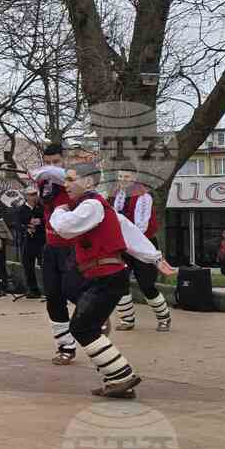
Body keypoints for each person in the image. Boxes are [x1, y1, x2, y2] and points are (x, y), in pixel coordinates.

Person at [50, 162, 176, 398]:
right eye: (65, 179)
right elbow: (128, 231)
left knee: (82, 328)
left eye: (70, 179)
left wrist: (59, 210)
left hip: (106, 277)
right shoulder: (99, 206)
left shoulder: (92, 205)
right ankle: (117, 380)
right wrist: (154, 257)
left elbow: (64, 228)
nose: (65, 184)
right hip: (101, 277)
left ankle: (121, 377)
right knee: (82, 323)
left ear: (88, 182)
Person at [30, 144, 83, 365]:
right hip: (50, 246)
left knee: (74, 292)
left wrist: (47, 170)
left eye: (56, 162)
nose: (51, 166)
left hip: (72, 247)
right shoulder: (43, 182)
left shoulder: (72, 181)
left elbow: (60, 175)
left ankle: (95, 316)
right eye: (48, 162)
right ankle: (65, 346)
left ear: (65, 160)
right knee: (53, 297)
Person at [110, 170, 171, 332]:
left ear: (134, 178)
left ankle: (164, 317)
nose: (123, 180)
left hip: (143, 243)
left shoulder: (144, 197)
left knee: (146, 285)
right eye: (120, 176)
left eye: (127, 177)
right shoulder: (116, 194)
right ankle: (127, 319)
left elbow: (141, 227)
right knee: (119, 281)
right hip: (123, 244)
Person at [15, 187, 45, 298]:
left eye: (35, 194)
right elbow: (17, 225)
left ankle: (48, 290)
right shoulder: (21, 209)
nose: (34, 196)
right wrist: (26, 228)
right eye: (31, 195)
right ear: (26, 196)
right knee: (28, 267)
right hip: (27, 241)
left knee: (45, 266)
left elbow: (48, 221)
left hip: (40, 241)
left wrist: (40, 221)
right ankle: (33, 290)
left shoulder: (41, 208)